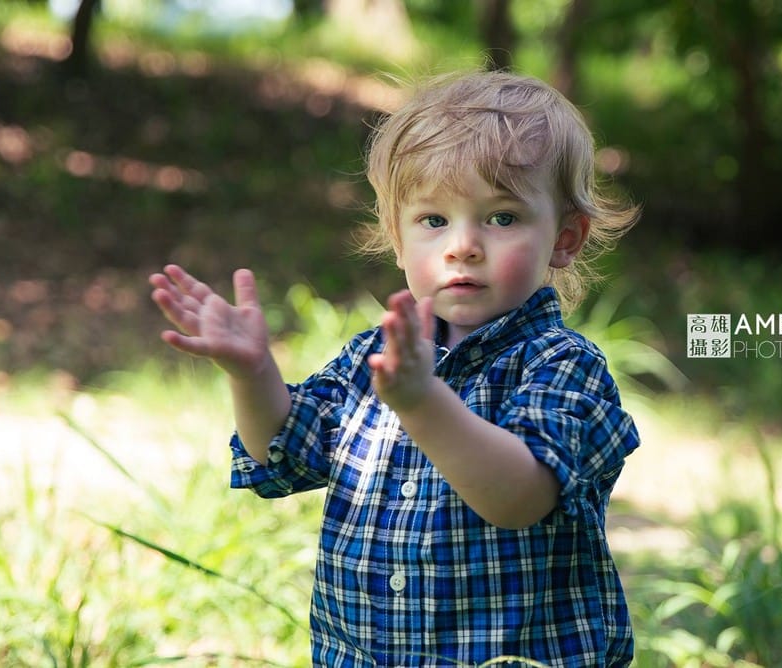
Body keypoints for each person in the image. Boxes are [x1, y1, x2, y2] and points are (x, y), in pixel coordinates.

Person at [150, 70, 641, 666]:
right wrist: (253, 375)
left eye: (502, 217)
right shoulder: (370, 359)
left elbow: (519, 497)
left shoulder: (563, 367)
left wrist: (422, 402)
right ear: (398, 239)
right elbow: (281, 450)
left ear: (565, 239)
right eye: (434, 221)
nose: (463, 245)